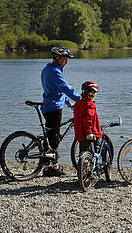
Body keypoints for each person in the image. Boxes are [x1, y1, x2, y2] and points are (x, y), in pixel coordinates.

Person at [40, 46, 81, 176]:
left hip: (49, 105)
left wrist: (69, 102)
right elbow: (65, 88)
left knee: (50, 136)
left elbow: (55, 91)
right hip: (54, 108)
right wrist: (82, 99)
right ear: (57, 58)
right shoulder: (54, 72)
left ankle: (47, 166)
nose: (66, 62)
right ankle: (54, 167)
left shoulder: (47, 69)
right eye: (65, 59)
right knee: (54, 138)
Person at [73, 81, 102, 156]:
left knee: (83, 152)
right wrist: (89, 132)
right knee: (94, 152)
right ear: (92, 93)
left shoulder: (78, 103)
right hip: (90, 133)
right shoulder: (90, 105)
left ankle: (82, 166)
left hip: (80, 134)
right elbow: (88, 119)